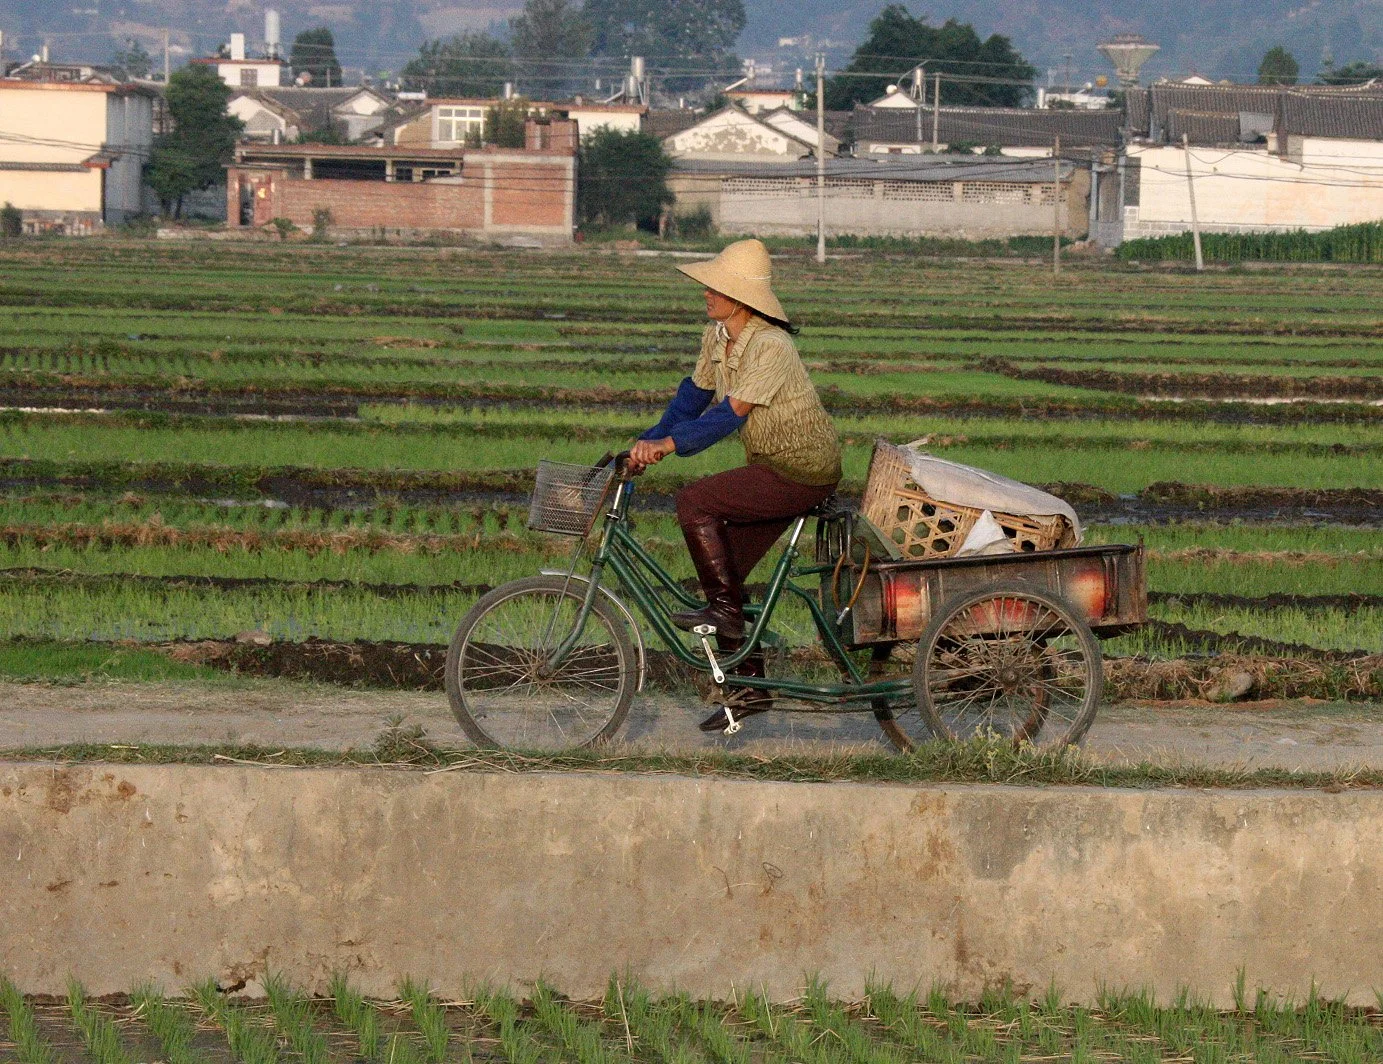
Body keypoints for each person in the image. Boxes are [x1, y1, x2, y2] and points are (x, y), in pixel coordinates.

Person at [628, 238, 842, 732]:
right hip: (770, 465)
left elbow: (729, 415)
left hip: (802, 469)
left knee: (695, 502)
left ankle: (728, 624)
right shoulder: (717, 337)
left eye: (716, 286)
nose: (706, 292)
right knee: (722, 575)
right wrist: (649, 439)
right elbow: (694, 398)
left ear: (742, 298)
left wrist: (670, 448)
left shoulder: (772, 346)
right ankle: (750, 690)